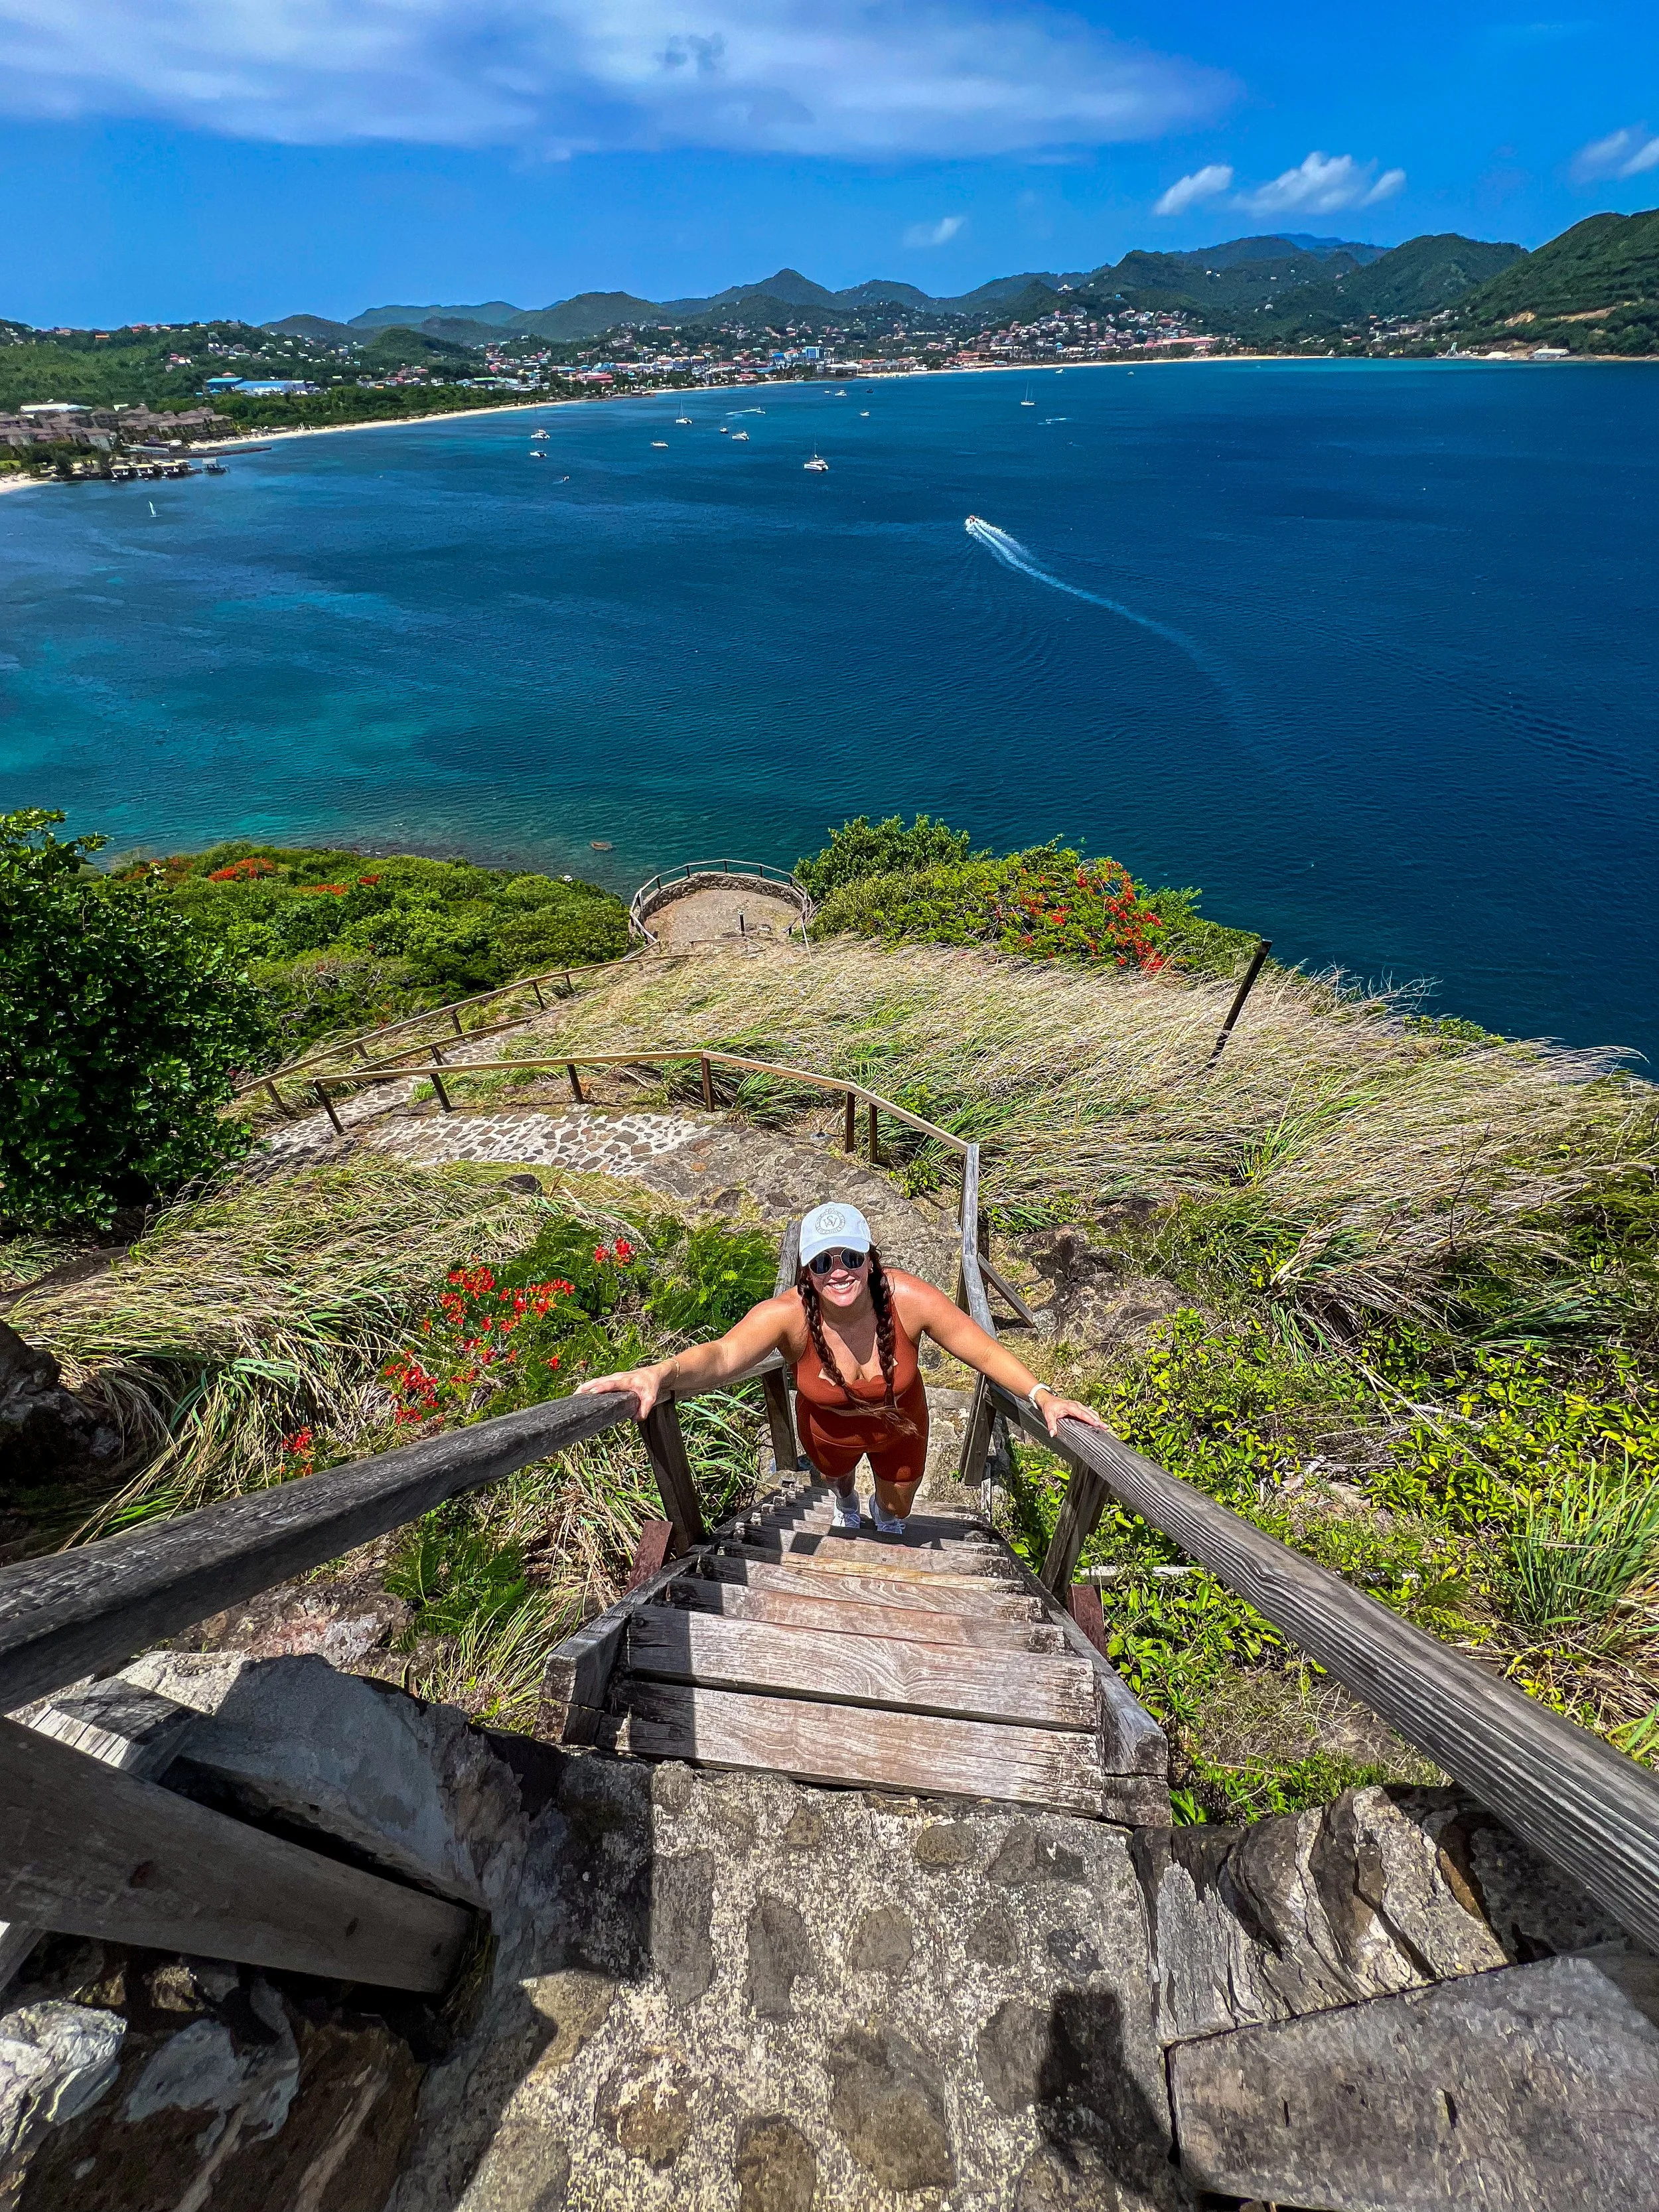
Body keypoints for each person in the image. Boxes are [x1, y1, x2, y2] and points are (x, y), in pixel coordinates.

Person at [577, 1199, 1106, 1535]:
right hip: (826, 1431)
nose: (839, 1271)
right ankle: (848, 1500)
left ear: (870, 1258)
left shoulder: (908, 1299)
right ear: (808, 1270)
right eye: (823, 1261)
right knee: (838, 1480)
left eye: (850, 1256)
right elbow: (721, 1355)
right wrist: (659, 1373)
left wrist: (1042, 1395)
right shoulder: (787, 1317)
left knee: (898, 1508)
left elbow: (983, 1351)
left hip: (902, 1427)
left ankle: (880, 1512)